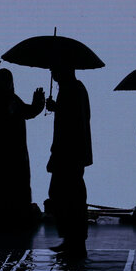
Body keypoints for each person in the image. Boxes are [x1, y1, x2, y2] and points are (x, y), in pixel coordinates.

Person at [0, 68, 45, 229]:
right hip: (9, 154)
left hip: (5, 154)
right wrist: (37, 104)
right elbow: (27, 112)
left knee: (8, 185)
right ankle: (13, 216)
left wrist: (38, 103)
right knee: (13, 185)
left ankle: (10, 215)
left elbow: (28, 112)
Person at [45, 66, 92, 258]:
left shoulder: (70, 90)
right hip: (72, 154)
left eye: (55, 69)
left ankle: (73, 241)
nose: (53, 73)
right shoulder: (76, 89)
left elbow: (71, 121)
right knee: (69, 196)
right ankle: (72, 240)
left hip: (68, 154)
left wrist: (57, 108)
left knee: (65, 196)